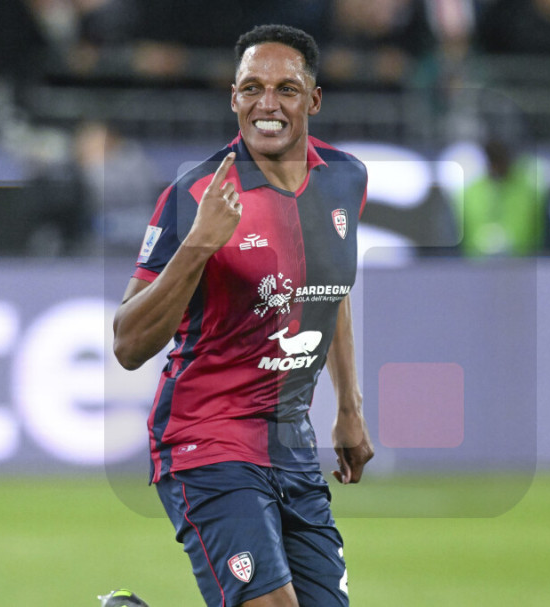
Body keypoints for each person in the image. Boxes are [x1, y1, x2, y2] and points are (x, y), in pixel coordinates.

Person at [112, 24, 374, 607]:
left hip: (292, 442)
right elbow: (127, 343)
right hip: (206, 435)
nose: (267, 104)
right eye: (252, 88)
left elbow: (329, 290)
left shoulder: (346, 178)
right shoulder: (197, 195)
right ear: (234, 98)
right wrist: (198, 245)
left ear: (314, 99)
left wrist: (349, 410)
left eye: (286, 89)